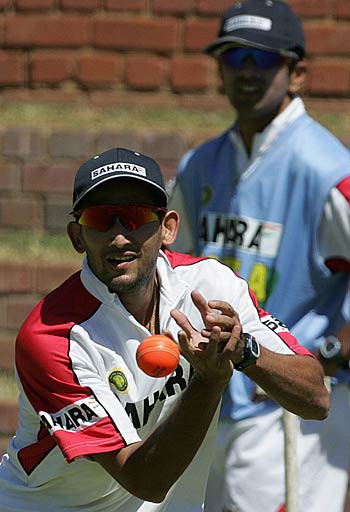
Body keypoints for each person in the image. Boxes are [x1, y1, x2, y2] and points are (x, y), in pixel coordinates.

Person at [0, 147, 329, 512]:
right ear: (77, 237)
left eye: (135, 216)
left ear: (168, 227)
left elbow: (316, 399)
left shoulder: (211, 285)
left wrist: (245, 351)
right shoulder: (53, 336)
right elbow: (146, 481)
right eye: (100, 218)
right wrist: (211, 378)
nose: (119, 236)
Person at [168, 1, 350, 511]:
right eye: (233, 58)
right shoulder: (200, 164)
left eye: (262, 60)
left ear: (297, 73)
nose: (246, 72)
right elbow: (170, 264)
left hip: (290, 411)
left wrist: (333, 351)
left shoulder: (328, 170)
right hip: (207, 400)